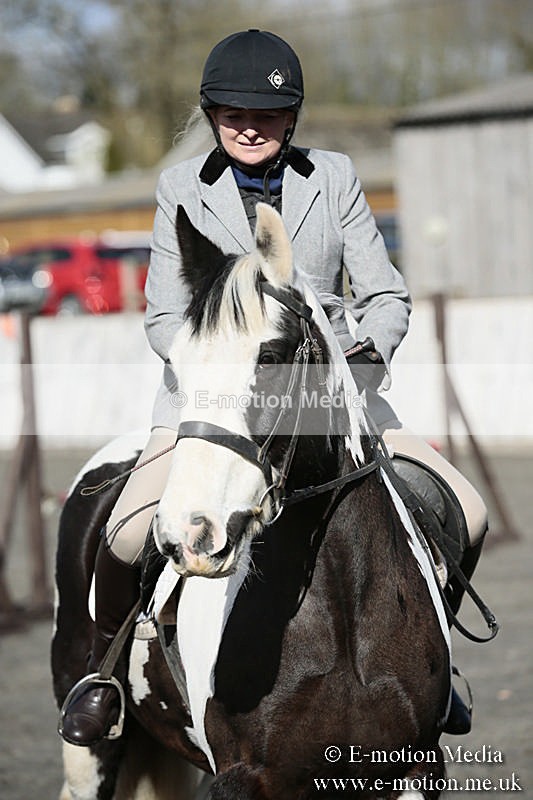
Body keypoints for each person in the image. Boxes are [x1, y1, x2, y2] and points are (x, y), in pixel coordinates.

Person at [59, 29, 487, 747]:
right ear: (211, 113)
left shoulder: (336, 176)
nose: (248, 124)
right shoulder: (179, 189)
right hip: (214, 404)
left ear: (291, 117)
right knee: (130, 531)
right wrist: (223, 365)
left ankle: (426, 667)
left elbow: (385, 298)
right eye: (231, 112)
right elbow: (164, 314)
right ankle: (108, 675)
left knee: (466, 510)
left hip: (334, 400)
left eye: (265, 112)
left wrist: (351, 365)